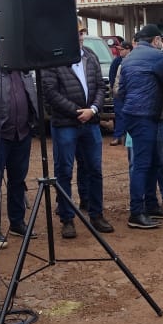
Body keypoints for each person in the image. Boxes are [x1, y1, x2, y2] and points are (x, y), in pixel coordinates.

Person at [39, 21, 110, 238]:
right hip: (66, 125)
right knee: (64, 171)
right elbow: (50, 92)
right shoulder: (53, 59)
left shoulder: (90, 55)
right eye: (75, 33)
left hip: (91, 123)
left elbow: (99, 85)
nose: (79, 36)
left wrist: (94, 109)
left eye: (81, 32)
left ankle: (96, 214)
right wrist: (78, 111)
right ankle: (67, 219)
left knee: (94, 170)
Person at [115, 25, 163, 230]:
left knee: (152, 162)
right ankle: (136, 212)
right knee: (142, 164)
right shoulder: (157, 57)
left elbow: (120, 91)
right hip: (146, 115)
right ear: (156, 39)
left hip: (134, 114)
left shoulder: (128, 59)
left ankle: (151, 205)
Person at [0, 43, 38, 245]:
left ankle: (17, 222)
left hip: (21, 133)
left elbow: (31, 95)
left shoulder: (23, 68)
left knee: (18, 180)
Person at [108, 40, 132, 145]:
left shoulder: (133, 60)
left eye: (122, 49)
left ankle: (128, 137)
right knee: (119, 115)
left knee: (130, 115)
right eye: (119, 49)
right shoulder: (116, 61)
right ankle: (118, 137)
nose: (120, 51)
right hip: (119, 93)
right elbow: (112, 77)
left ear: (128, 50)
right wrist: (115, 90)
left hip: (131, 93)